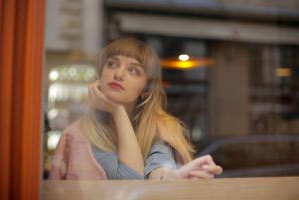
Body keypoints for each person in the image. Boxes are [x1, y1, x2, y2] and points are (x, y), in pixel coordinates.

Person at [50, 37, 222, 180]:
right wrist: (118, 111)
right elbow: (130, 179)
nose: (118, 74)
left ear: (146, 89)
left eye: (133, 70)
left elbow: (160, 169)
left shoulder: (160, 129)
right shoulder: (79, 134)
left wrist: (177, 176)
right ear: (99, 75)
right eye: (112, 64)